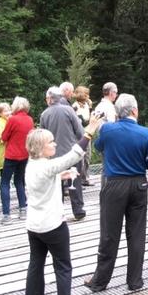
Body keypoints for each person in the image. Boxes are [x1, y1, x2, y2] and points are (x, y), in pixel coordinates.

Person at [24, 113, 102, 295]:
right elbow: (75, 154)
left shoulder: (31, 164)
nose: (55, 144)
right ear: (41, 147)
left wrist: (61, 176)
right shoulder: (47, 165)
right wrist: (90, 129)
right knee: (63, 268)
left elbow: (43, 179)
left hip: (34, 226)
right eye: (51, 142)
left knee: (36, 265)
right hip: (53, 226)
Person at [84, 94, 148, 292]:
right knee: (136, 234)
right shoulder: (146, 133)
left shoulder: (108, 129)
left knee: (109, 234)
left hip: (114, 185)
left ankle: (100, 281)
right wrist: (139, 161)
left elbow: (99, 147)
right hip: (138, 185)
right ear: (135, 111)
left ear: (118, 112)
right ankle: (134, 281)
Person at [40, 86, 86, 220]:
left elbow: (42, 137)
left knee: (56, 183)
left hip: (53, 155)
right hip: (71, 153)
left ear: (49, 98)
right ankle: (78, 210)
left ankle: (57, 211)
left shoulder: (44, 115)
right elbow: (80, 132)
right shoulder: (69, 111)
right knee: (75, 180)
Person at [0, 96, 34, 224]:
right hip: (24, 155)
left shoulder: (12, 119)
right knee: (19, 181)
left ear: (16, 106)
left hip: (11, 155)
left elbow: (4, 137)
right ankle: (23, 210)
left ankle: (6, 215)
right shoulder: (29, 119)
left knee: (5, 183)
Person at [72, 86, 93, 186]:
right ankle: (79, 180)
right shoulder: (74, 106)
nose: (88, 96)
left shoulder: (87, 105)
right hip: (79, 135)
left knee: (88, 157)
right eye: (86, 94)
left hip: (88, 133)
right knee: (80, 158)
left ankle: (85, 178)